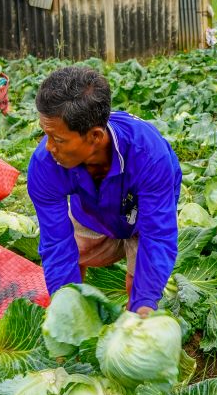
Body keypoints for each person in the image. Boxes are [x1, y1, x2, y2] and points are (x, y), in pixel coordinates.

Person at [27, 67, 182, 318]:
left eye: (59, 139)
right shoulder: (46, 164)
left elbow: (157, 234)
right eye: (46, 135)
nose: (49, 146)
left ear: (95, 137)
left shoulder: (150, 155)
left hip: (141, 216)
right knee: (72, 270)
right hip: (91, 211)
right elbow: (56, 242)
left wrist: (144, 303)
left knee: (140, 292)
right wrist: (65, 309)